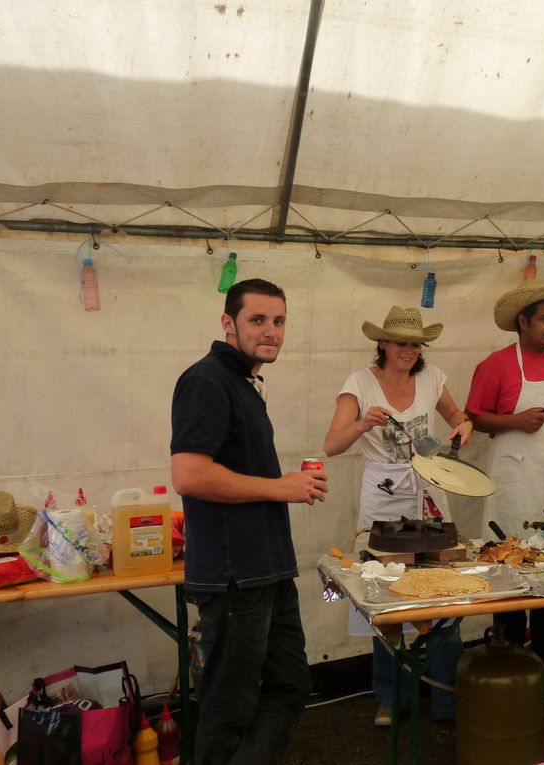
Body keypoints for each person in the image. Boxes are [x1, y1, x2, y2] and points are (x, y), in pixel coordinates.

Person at [170, 278, 328, 765]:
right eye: (257, 320)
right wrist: (279, 487)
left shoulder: (243, 382)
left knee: (289, 686)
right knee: (229, 709)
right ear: (228, 324)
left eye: (278, 321)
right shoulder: (206, 380)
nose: (271, 331)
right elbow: (189, 474)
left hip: (268, 568)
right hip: (235, 576)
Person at [323, 306, 472, 727]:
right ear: (383, 343)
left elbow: (458, 417)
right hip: (384, 501)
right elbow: (331, 443)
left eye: (415, 343)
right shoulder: (360, 383)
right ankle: (390, 699)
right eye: (400, 342)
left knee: (442, 594)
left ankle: (446, 699)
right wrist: (360, 422)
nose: (408, 350)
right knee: (385, 600)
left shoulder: (431, 377)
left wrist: (464, 425)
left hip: (428, 492)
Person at [465, 279, 544, 695]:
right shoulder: (497, 365)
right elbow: (476, 417)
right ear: (522, 322)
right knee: (509, 571)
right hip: (512, 483)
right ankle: (509, 672)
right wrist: (515, 421)